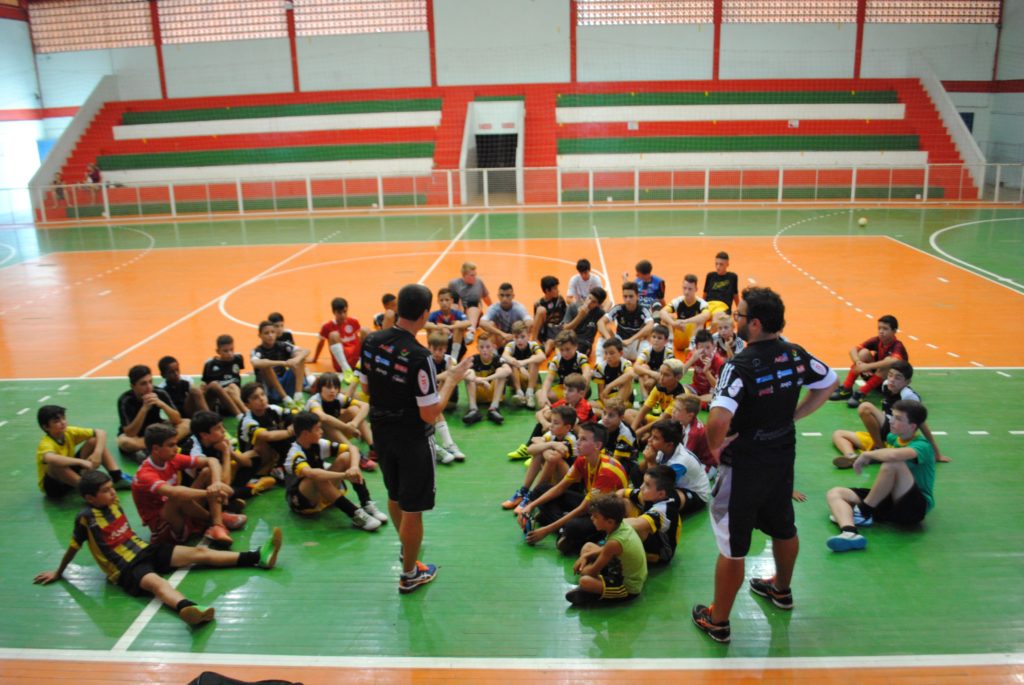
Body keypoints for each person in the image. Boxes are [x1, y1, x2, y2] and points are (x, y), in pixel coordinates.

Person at [692, 286, 837, 644]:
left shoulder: (737, 367)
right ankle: (781, 590)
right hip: (782, 455)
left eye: (739, 316)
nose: (735, 320)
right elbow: (829, 381)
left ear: (754, 324)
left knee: (732, 545)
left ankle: (719, 620)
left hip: (743, 466)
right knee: (783, 525)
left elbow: (719, 417)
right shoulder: (795, 354)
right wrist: (794, 415)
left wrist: (713, 450)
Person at [35, 470, 281, 628]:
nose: (113, 492)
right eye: (106, 491)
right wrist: (59, 571)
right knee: (159, 585)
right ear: (90, 498)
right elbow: (73, 547)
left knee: (199, 554)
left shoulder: (114, 502)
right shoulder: (85, 518)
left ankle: (258, 557)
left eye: (112, 488)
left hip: (145, 549)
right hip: (126, 568)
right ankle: (189, 609)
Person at [358, 284, 471, 594]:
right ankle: (409, 574)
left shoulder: (370, 342)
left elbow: (366, 390)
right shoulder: (420, 357)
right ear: (424, 315)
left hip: (381, 433)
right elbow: (429, 412)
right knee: (413, 508)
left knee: (395, 496)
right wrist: (453, 380)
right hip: (411, 439)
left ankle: (406, 551)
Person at [826, 400, 936, 552]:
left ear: (912, 426)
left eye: (898, 418)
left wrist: (867, 455)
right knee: (835, 493)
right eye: (893, 416)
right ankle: (850, 532)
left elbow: (893, 455)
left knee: (892, 463)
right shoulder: (894, 437)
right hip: (889, 500)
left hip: (913, 508)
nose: (892, 420)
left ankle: (863, 512)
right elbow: (870, 413)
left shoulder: (922, 446)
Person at [521, 422, 628, 555]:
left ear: (597, 445)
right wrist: (531, 506)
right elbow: (560, 487)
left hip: (607, 516)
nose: (577, 442)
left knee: (573, 526)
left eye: (583, 439)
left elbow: (584, 508)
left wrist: (546, 530)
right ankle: (562, 530)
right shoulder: (583, 459)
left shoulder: (606, 472)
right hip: (593, 503)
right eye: (578, 438)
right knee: (539, 491)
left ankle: (562, 528)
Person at [132, 423, 247, 546]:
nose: (176, 448)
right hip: (165, 524)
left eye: (176, 444)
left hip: (183, 508)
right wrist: (212, 493)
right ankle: (215, 520)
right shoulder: (145, 474)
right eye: (171, 445)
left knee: (207, 472)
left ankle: (217, 525)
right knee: (178, 495)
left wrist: (217, 483)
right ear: (156, 449)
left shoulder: (172, 458)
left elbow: (211, 461)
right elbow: (175, 493)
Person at [831, 360, 949, 468]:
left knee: (865, 407)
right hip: (885, 433)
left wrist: (936, 453)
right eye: (890, 375)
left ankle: (878, 450)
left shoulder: (908, 396)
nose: (892, 379)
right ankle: (851, 457)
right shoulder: (886, 385)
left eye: (898, 377)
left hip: (897, 438)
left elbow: (922, 423)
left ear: (907, 382)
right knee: (838, 434)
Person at [283, 411, 387, 531]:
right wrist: (344, 475)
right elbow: (310, 473)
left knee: (347, 457)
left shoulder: (319, 444)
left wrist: (354, 467)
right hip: (303, 500)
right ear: (306, 434)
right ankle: (355, 514)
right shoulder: (294, 453)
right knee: (317, 476)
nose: (322, 431)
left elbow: (353, 448)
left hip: (321, 491)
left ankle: (366, 503)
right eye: (317, 429)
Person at [565, 494, 647, 606]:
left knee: (585, 581)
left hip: (627, 586)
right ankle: (594, 589)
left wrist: (582, 569)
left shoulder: (615, 542)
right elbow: (605, 550)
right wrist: (585, 557)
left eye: (595, 516)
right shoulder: (621, 524)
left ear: (609, 522)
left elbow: (593, 571)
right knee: (587, 547)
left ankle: (593, 594)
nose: (591, 518)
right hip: (617, 567)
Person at [36, 405, 131, 498]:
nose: (63, 422)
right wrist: (81, 462)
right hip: (55, 487)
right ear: (46, 427)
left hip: (70, 476)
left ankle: (117, 477)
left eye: (63, 418)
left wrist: (97, 454)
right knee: (54, 465)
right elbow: (50, 458)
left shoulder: (69, 432)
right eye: (56, 421)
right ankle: (90, 490)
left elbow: (101, 433)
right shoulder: (46, 443)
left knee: (94, 441)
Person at [502, 405, 579, 511]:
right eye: (551, 421)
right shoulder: (551, 435)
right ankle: (523, 491)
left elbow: (551, 458)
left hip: (568, 482)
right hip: (554, 476)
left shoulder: (571, 439)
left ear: (568, 428)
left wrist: (542, 444)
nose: (551, 425)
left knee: (552, 458)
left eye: (556, 423)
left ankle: (533, 495)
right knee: (539, 453)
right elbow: (529, 450)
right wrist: (551, 444)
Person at [830, 315, 908, 407]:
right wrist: (858, 362)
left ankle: (861, 393)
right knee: (863, 353)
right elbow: (853, 350)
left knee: (888, 363)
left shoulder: (898, 346)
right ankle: (847, 389)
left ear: (894, 331)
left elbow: (893, 361)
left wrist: (867, 366)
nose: (881, 331)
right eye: (879, 328)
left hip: (891, 386)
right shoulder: (876, 340)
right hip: (876, 379)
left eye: (885, 329)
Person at [116, 364, 190, 461]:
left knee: (187, 423)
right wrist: (144, 409)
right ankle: (163, 446)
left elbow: (177, 420)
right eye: (143, 384)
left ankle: (150, 450)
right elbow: (130, 433)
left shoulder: (159, 392)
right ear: (133, 386)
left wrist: (162, 404)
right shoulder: (125, 400)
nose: (149, 387)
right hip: (138, 436)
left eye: (150, 382)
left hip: (156, 429)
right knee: (123, 442)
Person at [640, 419, 709, 516]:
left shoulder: (680, 462)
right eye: (651, 436)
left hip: (696, 494)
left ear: (669, 444)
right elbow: (641, 469)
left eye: (655, 438)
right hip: (674, 484)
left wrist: (651, 461)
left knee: (660, 496)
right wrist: (647, 458)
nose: (649, 440)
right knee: (636, 472)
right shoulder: (663, 448)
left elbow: (659, 485)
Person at [618, 464, 681, 565]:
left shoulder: (663, 510)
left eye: (647, 485)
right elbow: (622, 492)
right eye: (643, 482)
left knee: (639, 529)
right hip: (653, 538)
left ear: (661, 494)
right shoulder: (649, 495)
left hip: (661, 554)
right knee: (625, 502)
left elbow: (636, 524)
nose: (641, 487)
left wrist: (608, 520)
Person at [426, 332, 466, 463]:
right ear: (429, 348)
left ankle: (440, 446)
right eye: (434, 349)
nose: (437, 353)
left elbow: (450, 376)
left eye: (441, 349)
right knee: (433, 408)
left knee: (433, 406)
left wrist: (436, 379)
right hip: (434, 399)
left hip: (449, 399)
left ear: (445, 349)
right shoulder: (425, 360)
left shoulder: (450, 360)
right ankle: (447, 444)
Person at [251, 320, 309, 406]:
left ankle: (298, 396)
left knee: (299, 358)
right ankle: (286, 400)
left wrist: (296, 360)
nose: (270, 335)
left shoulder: (282, 345)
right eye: (266, 333)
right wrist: (283, 363)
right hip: (270, 390)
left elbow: (306, 350)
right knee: (266, 365)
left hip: (284, 384)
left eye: (272, 332)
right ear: (260, 335)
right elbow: (255, 363)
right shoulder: (257, 351)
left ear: (276, 334)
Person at [462, 331, 512, 425]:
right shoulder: (473, 359)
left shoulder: (498, 359)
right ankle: (473, 409)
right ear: (477, 348)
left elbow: (508, 371)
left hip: (493, 391)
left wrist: (486, 379)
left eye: (488, 347)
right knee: (469, 372)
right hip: (479, 394)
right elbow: (462, 374)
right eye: (481, 347)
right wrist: (479, 380)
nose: (484, 350)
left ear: (493, 347)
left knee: (501, 371)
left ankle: (494, 407)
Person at [310, 297, 364, 383]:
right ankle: (347, 370)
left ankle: (367, 362)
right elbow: (321, 343)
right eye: (339, 313)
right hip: (342, 362)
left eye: (345, 312)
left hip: (356, 358)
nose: (343, 315)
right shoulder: (327, 326)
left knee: (365, 331)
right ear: (334, 312)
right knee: (333, 335)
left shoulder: (354, 321)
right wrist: (314, 359)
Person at [599, 281, 653, 362]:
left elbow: (650, 326)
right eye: (625, 296)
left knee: (650, 331)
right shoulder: (618, 309)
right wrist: (609, 339)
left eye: (631, 296)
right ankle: (599, 363)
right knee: (605, 331)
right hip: (620, 344)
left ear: (637, 297)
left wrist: (631, 340)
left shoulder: (643, 310)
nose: (627, 299)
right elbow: (600, 322)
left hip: (636, 345)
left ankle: (641, 363)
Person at [538, 330, 592, 409]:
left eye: (567, 349)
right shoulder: (556, 360)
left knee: (585, 382)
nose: (564, 353)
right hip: (564, 390)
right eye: (561, 350)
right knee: (540, 393)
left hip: (578, 390)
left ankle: (574, 404)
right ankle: (548, 409)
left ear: (575, 346)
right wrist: (543, 395)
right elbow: (548, 379)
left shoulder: (581, 358)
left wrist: (579, 394)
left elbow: (587, 374)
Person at [501, 320, 547, 409]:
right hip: (517, 378)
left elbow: (542, 356)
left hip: (531, 378)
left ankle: (530, 394)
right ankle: (519, 394)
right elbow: (504, 355)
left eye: (522, 337)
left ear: (528, 336)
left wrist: (524, 362)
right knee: (511, 362)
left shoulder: (532, 345)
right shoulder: (511, 345)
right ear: (513, 338)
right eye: (516, 337)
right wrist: (519, 365)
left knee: (534, 359)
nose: (519, 340)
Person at [661, 274, 711, 355]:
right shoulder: (678, 301)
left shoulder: (702, 303)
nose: (686, 292)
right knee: (666, 317)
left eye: (690, 289)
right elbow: (662, 312)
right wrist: (673, 323)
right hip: (679, 334)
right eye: (684, 288)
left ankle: (692, 346)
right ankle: (669, 344)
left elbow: (706, 315)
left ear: (696, 289)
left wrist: (686, 321)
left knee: (700, 320)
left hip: (693, 334)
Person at [201, 334, 247, 419]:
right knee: (231, 387)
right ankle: (246, 413)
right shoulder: (210, 365)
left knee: (234, 387)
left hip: (236, 396)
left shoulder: (238, 359)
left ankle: (242, 411)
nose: (230, 353)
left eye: (232, 350)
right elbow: (206, 388)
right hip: (220, 402)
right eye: (225, 351)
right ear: (218, 351)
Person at [679, 328, 725, 406]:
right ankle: (697, 401)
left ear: (714, 346)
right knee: (679, 392)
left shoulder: (718, 361)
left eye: (708, 347)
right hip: (695, 389)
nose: (705, 351)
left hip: (711, 392)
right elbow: (679, 376)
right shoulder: (693, 355)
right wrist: (691, 360)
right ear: (696, 347)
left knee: (719, 399)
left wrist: (707, 372)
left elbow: (717, 388)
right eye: (701, 348)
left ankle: (696, 400)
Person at [479, 282, 532, 347]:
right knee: (491, 324)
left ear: (513, 296)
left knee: (522, 324)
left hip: (516, 338)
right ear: (498, 296)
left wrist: (515, 335)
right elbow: (482, 323)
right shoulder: (494, 308)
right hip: (500, 339)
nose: (504, 299)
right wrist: (502, 334)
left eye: (508, 295)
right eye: (502, 295)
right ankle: (497, 351)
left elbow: (529, 322)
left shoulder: (519, 308)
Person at [425, 287, 470, 360]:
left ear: (452, 301)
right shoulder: (434, 314)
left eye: (447, 300)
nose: (444, 303)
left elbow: (468, 323)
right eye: (441, 300)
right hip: (440, 343)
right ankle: (433, 354)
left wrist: (451, 327)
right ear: (438, 301)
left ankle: (453, 358)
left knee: (459, 324)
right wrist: (439, 328)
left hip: (455, 344)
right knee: (430, 327)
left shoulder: (457, 313)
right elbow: (424, 324)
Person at [632, 324, 674, 401]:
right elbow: (635, 367)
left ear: (666, 341)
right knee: (644, 367)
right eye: (654, 337)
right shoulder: (647, 351)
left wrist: (654, 379)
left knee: (667, 373)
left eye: (659, 338)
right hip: (650, 378)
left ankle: (658, 396)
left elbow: (669, 371)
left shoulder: (669, 353)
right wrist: (652, 374)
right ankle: (646, 398)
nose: (656, 340)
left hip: (661, 379)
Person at [448, 261, 492, 334]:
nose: (475, 277)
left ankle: (471, 329)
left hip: (474, 313)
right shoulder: (454, 284)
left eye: (475, 275)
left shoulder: (479, 282)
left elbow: (486, 297)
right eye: (472, 275)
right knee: (454, 303)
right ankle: (455, 327)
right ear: (464, 275)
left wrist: (492, 310)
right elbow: (450, 301)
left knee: (473, 303)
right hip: (461, 312)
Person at [563, 287, 608, 358]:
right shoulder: (573, 307)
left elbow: (609, 303)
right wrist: (579, 316)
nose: (589, 302)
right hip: (569, 339)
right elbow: (565, 329)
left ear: (598, 305)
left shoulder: (599, 314)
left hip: (584, 343)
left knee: (573, 355)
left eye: (594, 302)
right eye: (589, 298)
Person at [594, 337, 634, 411]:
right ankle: (612, 412)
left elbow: (631, 374)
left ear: (621, 353)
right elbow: (601, 394)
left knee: (627, 379)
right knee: (590, 406)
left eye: (612, 353)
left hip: (624, 400)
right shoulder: (600, 368)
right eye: (606, 353)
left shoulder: (625, 363)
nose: (608, 356)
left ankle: (614, 411)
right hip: (607, 401)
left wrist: (609, 386)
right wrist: (607, 405)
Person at [531, 275, 568, 355]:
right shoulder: (538, 304)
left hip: (559, 330)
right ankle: (532, 343)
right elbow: (537, 324)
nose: (558, 290)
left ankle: (555, 351)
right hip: (546, 331)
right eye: (555, 288)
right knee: (540, 310)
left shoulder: (560, 300)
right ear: (547, 291)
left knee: (553, 346)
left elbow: (566, 315)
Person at [703, 251, 740, 315]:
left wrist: (739, 311)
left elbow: (735, 296)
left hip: (723, 308)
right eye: (716, 264)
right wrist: (701, 308)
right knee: (702, 317)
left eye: (721, 264)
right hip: (709, 306)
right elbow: (704, 294)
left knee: (718, 318)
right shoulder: (710, 275)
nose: (718, 267)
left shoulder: (732, 277)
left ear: (727, 264)